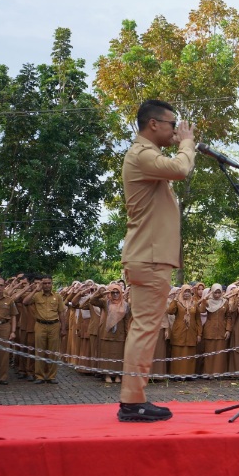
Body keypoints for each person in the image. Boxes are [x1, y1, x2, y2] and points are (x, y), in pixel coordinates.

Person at [118, 99, 195, 422]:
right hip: (148, 257)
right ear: (153, 124)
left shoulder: (147, 156)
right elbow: (180, 168)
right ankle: (133, 402)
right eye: (171, 123)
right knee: (146, 327)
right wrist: (188, 142)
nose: (175, 129)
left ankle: (134, 398)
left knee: (146, 327)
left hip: (149, 256)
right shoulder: (143, 156)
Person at [21, 276, 67, 384]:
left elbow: (61, 313)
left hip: (54, 325)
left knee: (53, 352)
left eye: (49, 283)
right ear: (42, 284)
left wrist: (63, 328)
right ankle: (40, 376)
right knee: (39, 351)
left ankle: (51, 376)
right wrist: (36, 290)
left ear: (52, 284)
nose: (47, 285)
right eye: (44, 283)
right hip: (40, 324)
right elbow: (25, 301)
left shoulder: (58, 297)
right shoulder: (37, 296)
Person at [91, 284, 131, 384]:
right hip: (106, 333)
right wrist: (101, 293)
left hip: (120, 334)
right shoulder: (106, 302)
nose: (115, 294)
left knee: (118, 356)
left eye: (117, 292)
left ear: (121, 293)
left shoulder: (125, 305)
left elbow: (127, 321)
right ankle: (107, 375)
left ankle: (117, 375)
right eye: (113, 292)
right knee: (106, 355)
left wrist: (128, 335)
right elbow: (92, 301)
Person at [167, 284, 201, 378]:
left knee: (190, 354)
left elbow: (198, 319)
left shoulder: (194, 303)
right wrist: (175, 299)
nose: (186, 294)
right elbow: (170, 311)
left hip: (191, 332)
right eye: (185, 291)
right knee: (177, 353)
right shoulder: (177, 302)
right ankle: (176, 375)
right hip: (179, 332)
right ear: (181, 292)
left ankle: (189, 375)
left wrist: (199, 334)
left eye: (188, 291)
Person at [199, 283, 232, 378]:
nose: (217, 295)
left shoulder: (225, 302)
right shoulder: (208, 301)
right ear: (212, 292)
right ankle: (208, 373)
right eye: (215, 293)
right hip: (209, 329)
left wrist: (228, 329)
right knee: (209, 353)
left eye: (219, 292)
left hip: (222, 330)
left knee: (220, 353)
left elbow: (228, 317)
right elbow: (201, 311)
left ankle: (219, 373)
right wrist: (204, 300)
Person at [0, 277, 18, 384]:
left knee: (4, 353)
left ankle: (3, 377)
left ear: (4, 286)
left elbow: (13, 316)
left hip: (5, 327)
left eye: (1, 285)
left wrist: (13, 331)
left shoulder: (9, 300)